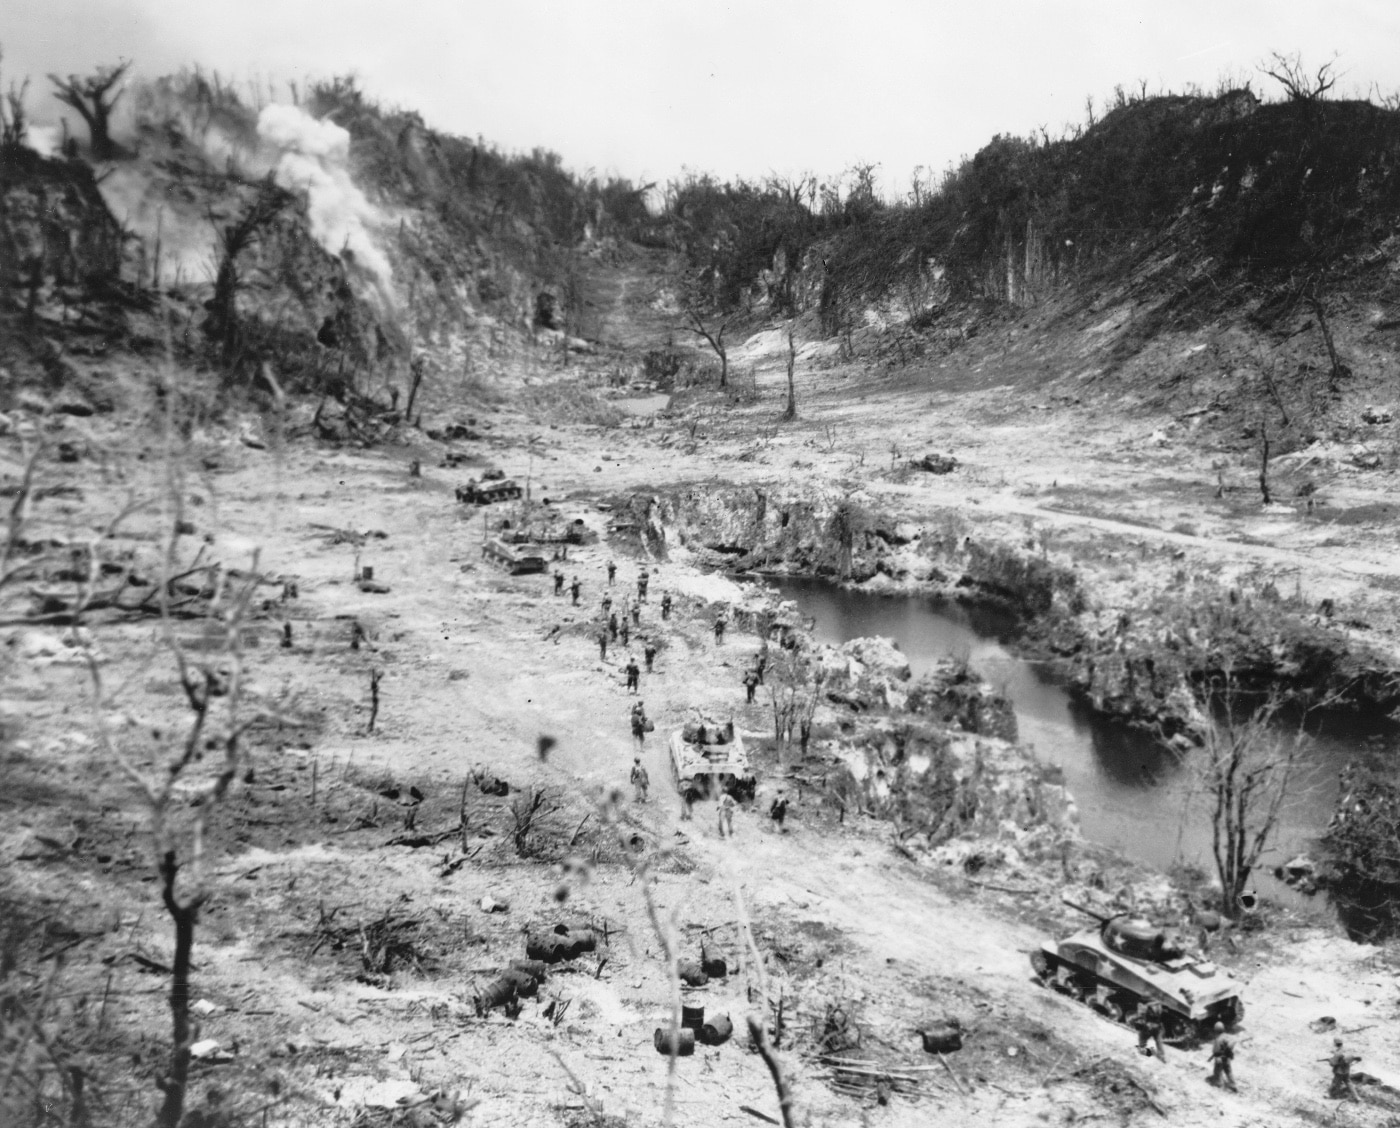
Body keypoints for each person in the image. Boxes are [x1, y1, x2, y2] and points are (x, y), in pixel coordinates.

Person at [1207, 1022, 1236, 1092]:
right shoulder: (1226, 1036)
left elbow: (1215, 1051)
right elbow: (1233, 1042)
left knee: (1217, 1071)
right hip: (1227, 1058)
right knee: (1228, 1071)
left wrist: (1216, 1056)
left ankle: (1219, 1084)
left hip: (1220, 1059)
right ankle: (1232, 1084)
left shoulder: (1218, 1039)